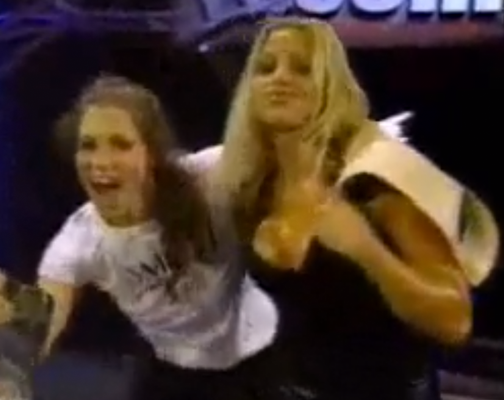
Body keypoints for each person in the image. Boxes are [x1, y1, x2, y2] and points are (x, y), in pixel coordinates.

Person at [0, 76, 315, 400]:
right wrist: (8, 314)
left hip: (259, 360)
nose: (101, 161)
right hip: (177, 378)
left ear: (151, 154)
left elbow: (304, 152)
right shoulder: (77, 243)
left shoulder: (207, 176)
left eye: (120, 144)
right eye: (88, 146)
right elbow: (44, 324)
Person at [203, 18, 500, 400]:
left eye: (302, 68)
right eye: (266, 67)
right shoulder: (249, 190)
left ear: (331, 86)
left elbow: (454, 321)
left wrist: (365, 249)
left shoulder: (375, 182)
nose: (280, 78)